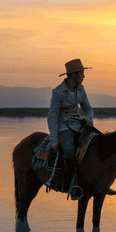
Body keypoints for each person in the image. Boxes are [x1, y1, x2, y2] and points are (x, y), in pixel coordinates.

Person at [48, 59, 95, 200]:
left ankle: (96, 181)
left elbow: (88, 108)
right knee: (69, 150)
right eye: (82, 73)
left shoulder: (81, 89)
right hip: (63, 127)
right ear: (74, 75)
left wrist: (89, 120)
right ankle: (72, 185)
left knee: (95, 143)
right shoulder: (58, 92)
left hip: (79, 124)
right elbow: (52, 116)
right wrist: (55, 140)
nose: (84, 76)